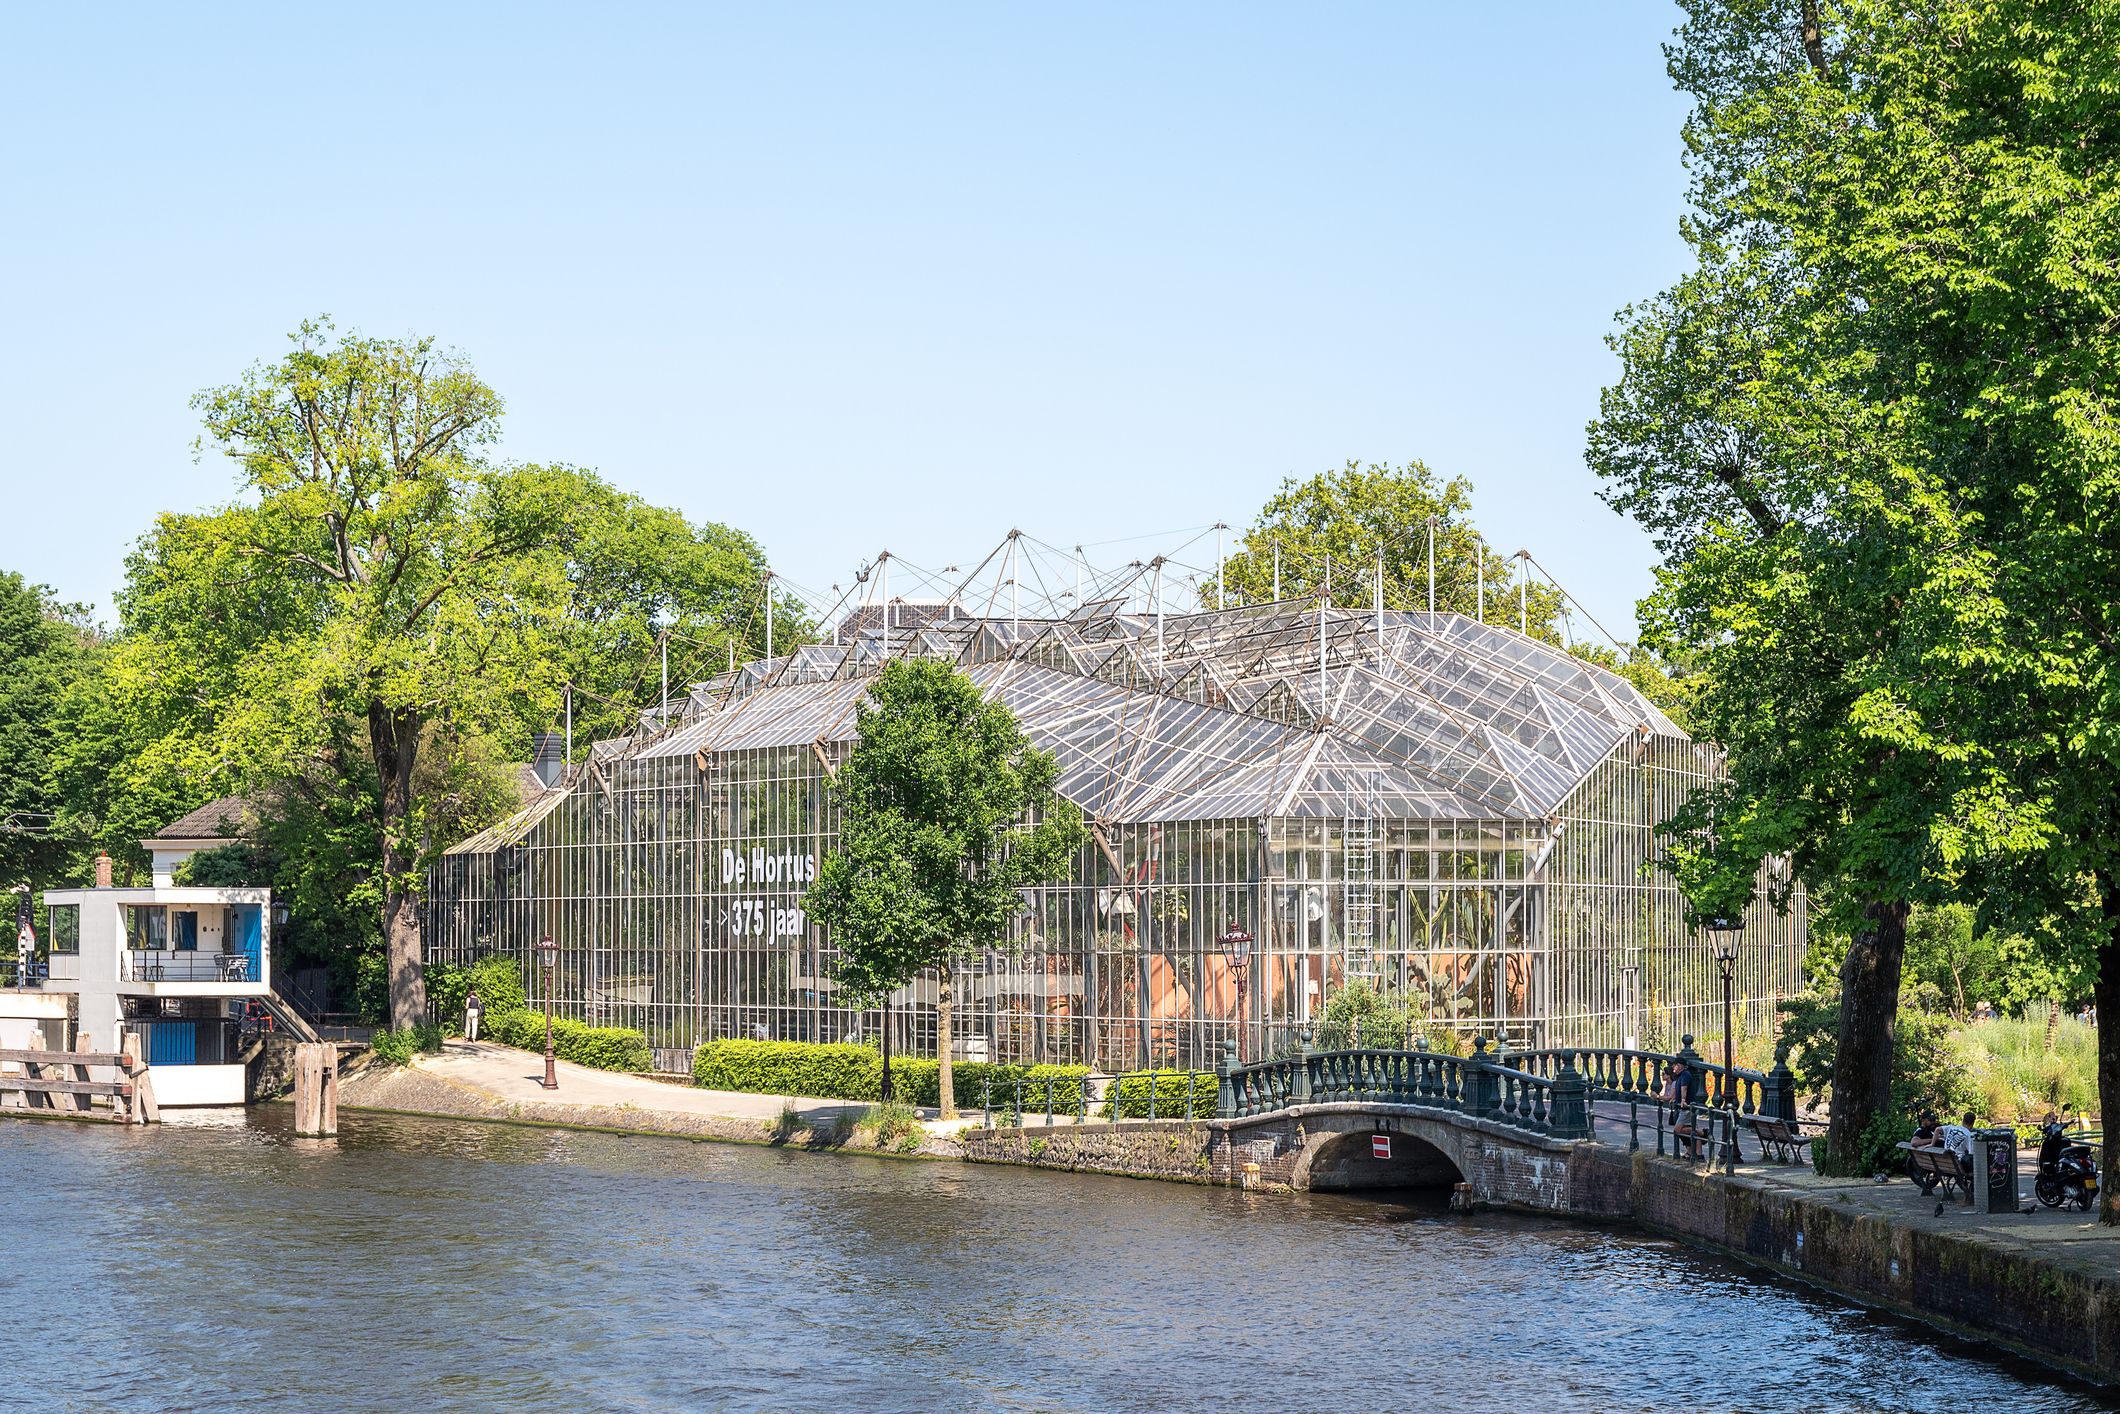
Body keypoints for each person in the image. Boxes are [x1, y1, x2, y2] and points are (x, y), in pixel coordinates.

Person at [1661, 1058, 1702, 1158]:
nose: (1673, 1068)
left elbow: (1684, 1088)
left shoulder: (1685, 1075)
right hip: (1684, 1107)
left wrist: (1683, 1100)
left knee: (1678, 1130)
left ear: (1679, 1065)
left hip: (1686, 1108)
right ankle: (1697, 1154)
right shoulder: (1680, 1076)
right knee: (1688, 1130)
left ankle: (1701, 1132)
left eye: (1674, 1065)